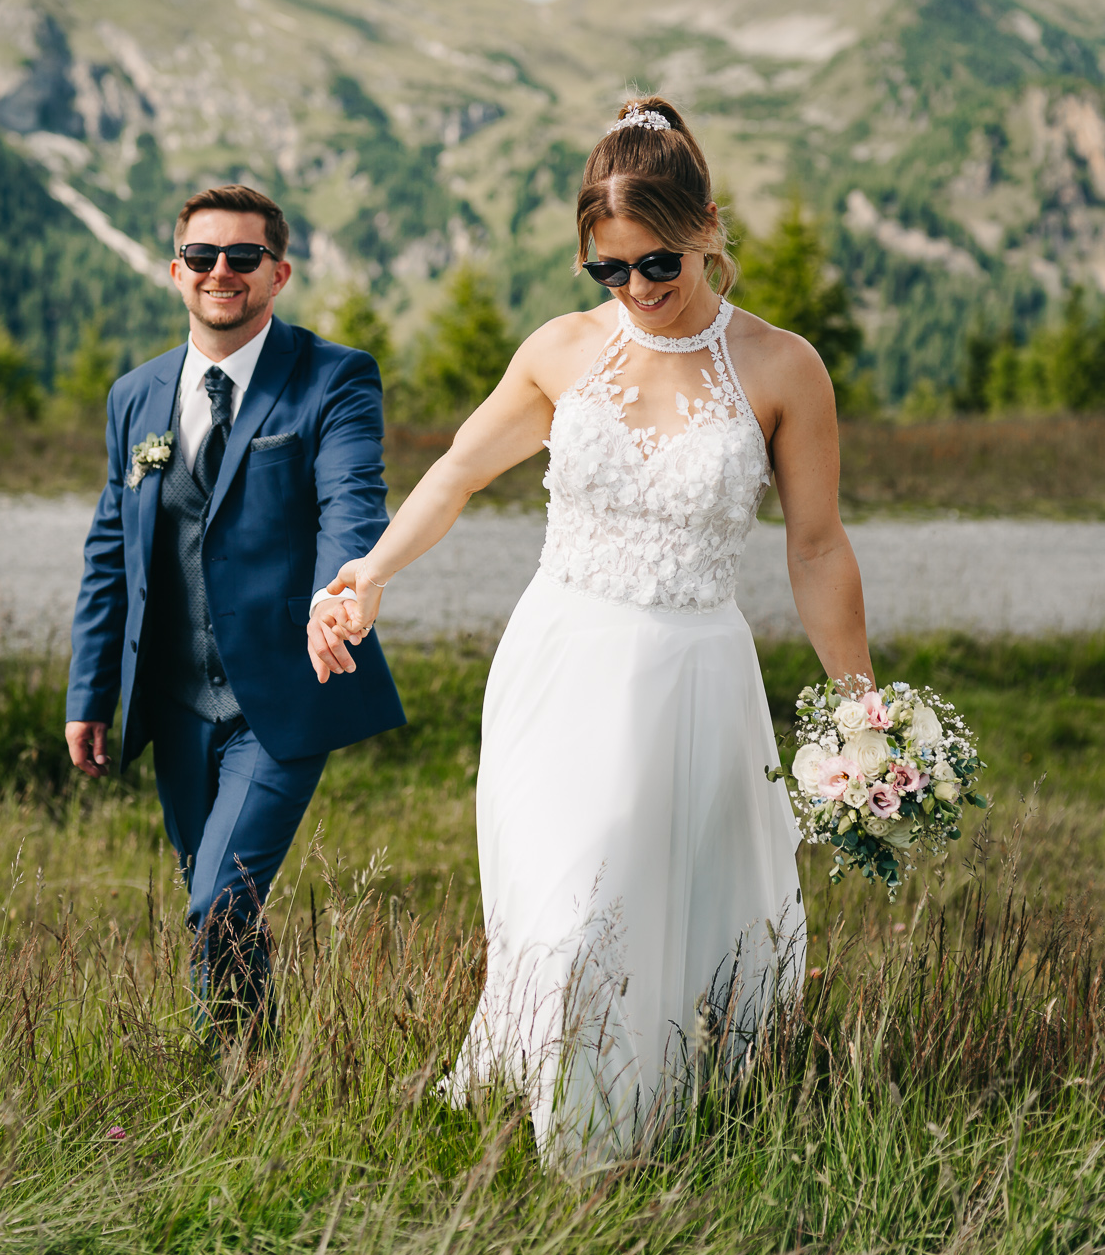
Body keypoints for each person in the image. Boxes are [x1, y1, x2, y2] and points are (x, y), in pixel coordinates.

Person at [310, 98, 874, 1167]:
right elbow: (458, 471)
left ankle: (669, 1130)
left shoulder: (782, 366)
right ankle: (579, 1151)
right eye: (608, 269)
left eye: (657, 263)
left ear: (708, 227)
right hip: (561, 665)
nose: (637, 289)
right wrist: (368, 576)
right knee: (567, 914)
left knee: (666, 914)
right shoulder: (562, 351)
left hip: (693, 678)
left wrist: (860, 708)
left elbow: (815, 547)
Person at [66, 184, 404, 1034]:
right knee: (218, 901)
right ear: (175, 271)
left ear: (277, 273)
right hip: (175, 698)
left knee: (218, 897)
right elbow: (109, 552)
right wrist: (89, 692)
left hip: (286, 690)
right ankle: (242, 1075)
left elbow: (352, 505)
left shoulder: (334, 376)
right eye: (202, 255)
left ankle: (227, 1067)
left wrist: (336, 597)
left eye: (243, 256)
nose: (222, 270)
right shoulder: (134, 396)